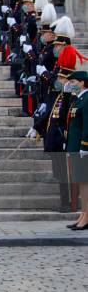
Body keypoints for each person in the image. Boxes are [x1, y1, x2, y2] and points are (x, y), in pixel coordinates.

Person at [65, 71, 88, 230]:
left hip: (82, 147)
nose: (71, 84)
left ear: (82, 82)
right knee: (81, 183)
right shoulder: (79, 99)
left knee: (85, 183)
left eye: (73, 81)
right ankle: (83, 214)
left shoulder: (86, 100)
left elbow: (87, 125)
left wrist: (84, 146)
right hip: (74, 146)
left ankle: (86, 216)